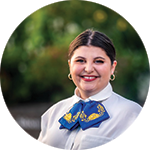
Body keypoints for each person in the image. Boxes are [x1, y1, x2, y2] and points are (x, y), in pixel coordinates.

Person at [38, 29, 142, 149]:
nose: (88, 69)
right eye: (80, 61)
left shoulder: (132, 114)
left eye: (98, 61)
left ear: (112, 67)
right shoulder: (53, 113)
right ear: (70, 66)